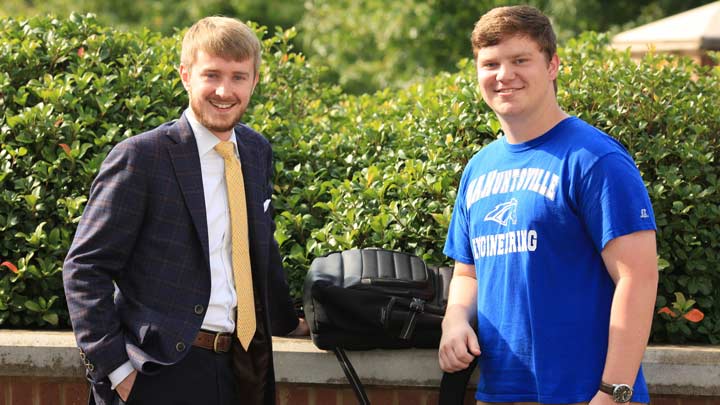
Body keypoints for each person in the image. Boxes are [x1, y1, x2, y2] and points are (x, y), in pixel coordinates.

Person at [63, 16, 308, 405]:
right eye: (211, 75)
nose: (225, 90)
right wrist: (118, 371)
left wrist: (290, 323)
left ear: (255, 81)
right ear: (185, 76)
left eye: (239, 77)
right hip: (159, 373)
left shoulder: (256, 151)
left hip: (243, 369)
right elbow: (85, 268)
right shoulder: (142, 157)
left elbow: (258, 247)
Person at [439, 5, 658, 405]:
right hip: (499, 394)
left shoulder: (595, 159)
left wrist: (613, 393)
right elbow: (467, 272)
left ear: (553, 65)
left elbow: (638, 277)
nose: (504, 75)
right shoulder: (478, 168)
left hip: (584, 395)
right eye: (490, 64)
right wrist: (454, 320)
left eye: (520, 60)